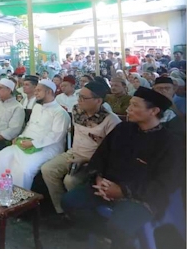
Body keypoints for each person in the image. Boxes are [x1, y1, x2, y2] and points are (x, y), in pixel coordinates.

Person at [61, 87, 183, 248]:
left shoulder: (169, 142)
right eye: (130, 104)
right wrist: (99, 178)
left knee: (118, 228)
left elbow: (165, 183)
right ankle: (107, 234)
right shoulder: (122, 129)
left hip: (141, 196)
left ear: (154, 111)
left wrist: (122, 191)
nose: (128, 109)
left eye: (135, 105)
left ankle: (119, 241)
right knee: (69, 202)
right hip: (105, 186)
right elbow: (101, 156)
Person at [41, 80, 121, 224]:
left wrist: (86, 160)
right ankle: (62, 211)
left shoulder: (111, 120)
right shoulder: (76, 110)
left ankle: (80, 216)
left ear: (98, 100)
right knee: (47, 169)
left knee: (70, 180)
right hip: (74, 152)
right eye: (79, 96)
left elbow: (112, 152)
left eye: (84, 98)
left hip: (93, 159)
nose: (79, 100)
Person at [0, 80, 71, 189]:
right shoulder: (37, 107)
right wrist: (19, 137)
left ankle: (19, 197)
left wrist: (33, 143)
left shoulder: (60, 113)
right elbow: (29, 125)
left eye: (38, 90)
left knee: (24, 168)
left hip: (47, 148)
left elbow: (55, 136)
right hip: (26, 142)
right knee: (1, 156)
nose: (35, 93)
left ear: (49, 92)